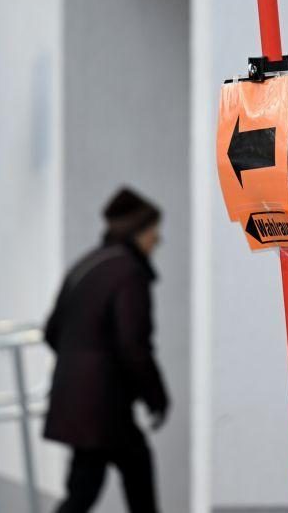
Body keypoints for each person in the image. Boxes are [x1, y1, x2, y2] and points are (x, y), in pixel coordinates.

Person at [43, 186, 170, 513]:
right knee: (132, 468)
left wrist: (81, 367)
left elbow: (52, 331)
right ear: (139, 232)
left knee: (86, 484)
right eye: (154, 231)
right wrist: (156, 397)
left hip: (80, 400)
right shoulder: (128, 273)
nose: (158, 240)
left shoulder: (87, 265)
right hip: (103, 405)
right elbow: (134, 346)